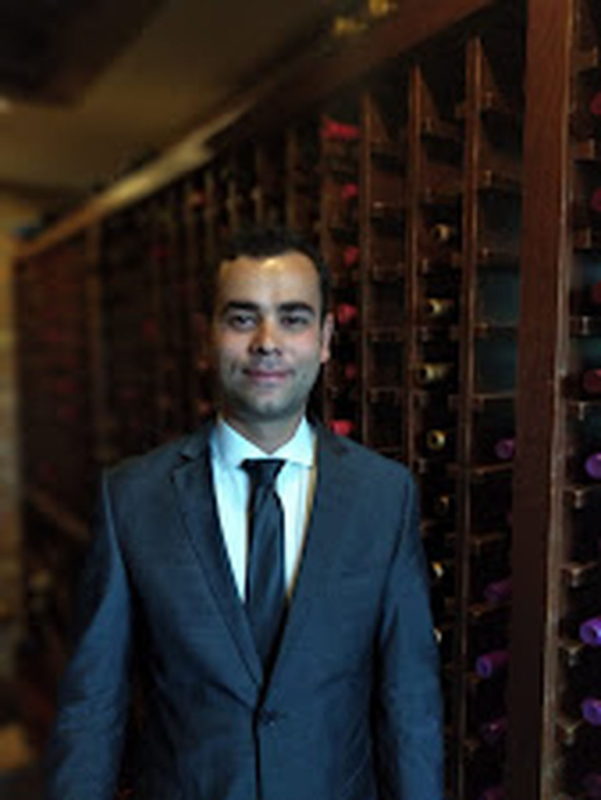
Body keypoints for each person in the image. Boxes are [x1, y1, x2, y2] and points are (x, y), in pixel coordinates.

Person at [46, 226, 443, 800]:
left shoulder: (384, 497)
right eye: (241, 318)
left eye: (293, 318)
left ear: (325, 339)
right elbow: (93, 707)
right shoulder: (131, 498)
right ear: (208, 337)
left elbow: (411, 704)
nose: (266, 341)